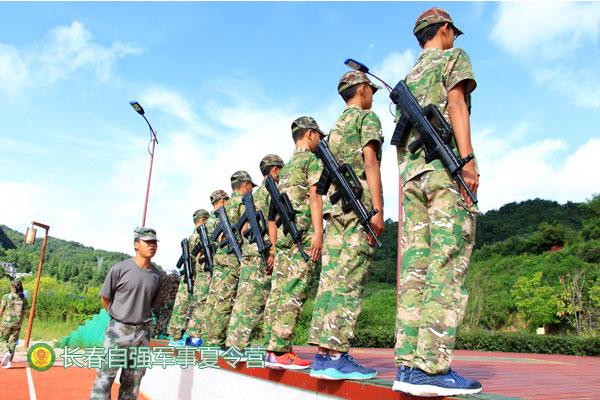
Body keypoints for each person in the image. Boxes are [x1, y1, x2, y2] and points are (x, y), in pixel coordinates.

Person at [392, 7, 482, 397]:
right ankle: (432, 367)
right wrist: (468, 163)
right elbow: (457, 105)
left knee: (416, 271)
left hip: (412, 179)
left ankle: (408, 366)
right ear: (444, 30)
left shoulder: (409, 77)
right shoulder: (453, 59)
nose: (454, 39)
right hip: (444, 173)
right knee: (446, 262)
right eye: (452, 33)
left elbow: (399, 141)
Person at [307, 70, 384, 380]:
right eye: (371, 91)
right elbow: (370, 161)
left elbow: (318, 186)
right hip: (356, 211)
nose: (373, 96)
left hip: (334, 214)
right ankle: (337, 355)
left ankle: (323, 356)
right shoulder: (367, 118)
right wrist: (377, 210)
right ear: (362, 89)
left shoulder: (333, 130)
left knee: (331, 282)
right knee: (349, 281)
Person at [263, 117, 324, 370]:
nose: (320, 139)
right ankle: (280, 350)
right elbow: (315, 198)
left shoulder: (284, 169)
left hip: (286, 238)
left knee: (278, 292)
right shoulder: (311, 161)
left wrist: (275, 247)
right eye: (318, 134)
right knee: (295, 291)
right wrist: (319, 232)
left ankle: (270, 348)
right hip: (303, 236)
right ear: (309, 134)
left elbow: (273, 216)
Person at [90, 227, 163, 400]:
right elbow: (106, 298)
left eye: (154, 243)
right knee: (105, 377)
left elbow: (152, 305)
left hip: (142, 333)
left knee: (133, 381)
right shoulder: (120, 269)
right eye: (147, 242)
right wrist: (118, 319)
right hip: (118, 330)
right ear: (136, 244)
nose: (152, 246)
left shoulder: (156, 276)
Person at [226, 155, 285, 351]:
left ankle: (234, 343)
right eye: (281, 170)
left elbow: (242, 228)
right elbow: (272, 222)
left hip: (250, 251)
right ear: (275, 170)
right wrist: (273, 251)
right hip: (262, 251)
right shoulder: (271, 191)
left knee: (244, 298)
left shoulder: (252, 197)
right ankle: (240, 346)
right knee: (255, 301)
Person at [203, 172, 256, 349]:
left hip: (221, 255)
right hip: (233, 256)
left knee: (216, 298)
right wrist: (244, 259)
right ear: (246, 184)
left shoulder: (223, 208)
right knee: (226, 300)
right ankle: (216, 341)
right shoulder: (243, 203)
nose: (251, 190)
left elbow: (217, 237)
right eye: (250, 186)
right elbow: (245, 232)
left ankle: (210, 338)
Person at [186, 190, 229, 345]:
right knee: (206, 301)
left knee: (202, 300)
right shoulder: (216, 220)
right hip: (211, 266)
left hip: (207, 266)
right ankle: (197, 338)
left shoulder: (208, 222)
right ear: (222, 201)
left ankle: (196, 337)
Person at [167, 209, 209, 346]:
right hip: (195, 275)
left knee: (181, 304)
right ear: (203, 220)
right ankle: (192, 339)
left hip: (187, 275)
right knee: (195, 305)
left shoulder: (191, 237)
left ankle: (174, 337)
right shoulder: (200, 236)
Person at [0, 278, 26, 369]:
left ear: (12, 287)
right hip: (17, 323)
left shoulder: (6, 297)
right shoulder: (22, 299)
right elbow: (23, 313)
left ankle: (6, 351)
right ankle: (9, 362)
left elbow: (1, 310)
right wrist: (20, 323)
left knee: (2, 339)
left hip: (6, 322)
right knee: (13, 342)